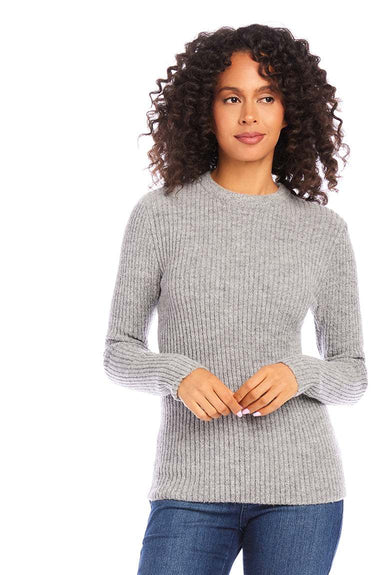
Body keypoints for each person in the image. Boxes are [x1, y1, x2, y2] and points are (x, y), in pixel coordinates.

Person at [103, 23, 368, 575]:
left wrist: (300, 373)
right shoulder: (160, 215)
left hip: (303, 492)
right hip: (190, 487)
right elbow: (118, 350)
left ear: (289, 112)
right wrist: (176, 374)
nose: (249, 115)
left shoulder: (323, 231)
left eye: (266, 98)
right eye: (231, 98)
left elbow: (353, 373)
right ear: (207, 110)